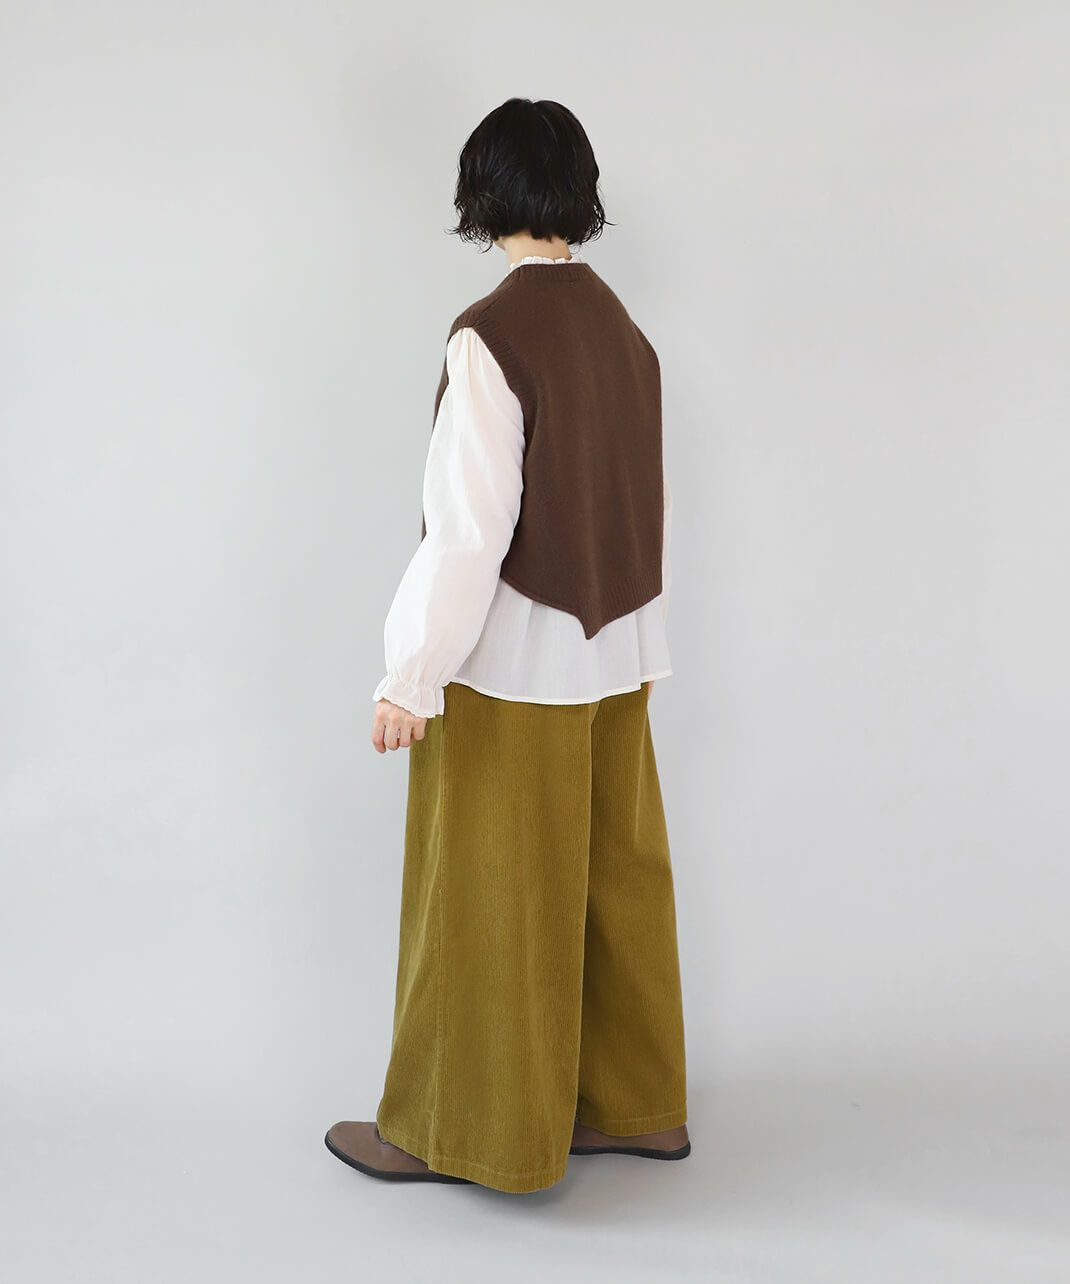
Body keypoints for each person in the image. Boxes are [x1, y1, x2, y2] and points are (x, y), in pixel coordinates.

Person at [325, 97, 688, 1194]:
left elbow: (469, 531)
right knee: (615, 883)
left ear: (483, 195)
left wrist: (411, 675)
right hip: (618, 652)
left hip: (516, 663)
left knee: (487, 900)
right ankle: (633, 1108)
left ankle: (461, 1133)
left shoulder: (491, 336)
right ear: (578, 191)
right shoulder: (622, 329)